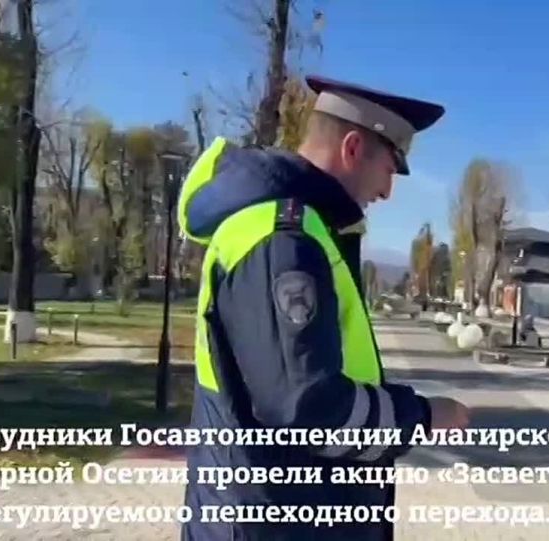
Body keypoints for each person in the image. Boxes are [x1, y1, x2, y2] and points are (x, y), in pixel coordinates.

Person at [177, 75, 471, 540]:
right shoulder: (282, 239)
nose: (387, 193)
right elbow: (308, 407)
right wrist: (424, 416)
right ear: (352, 148)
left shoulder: (300, 230)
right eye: (390, 169)